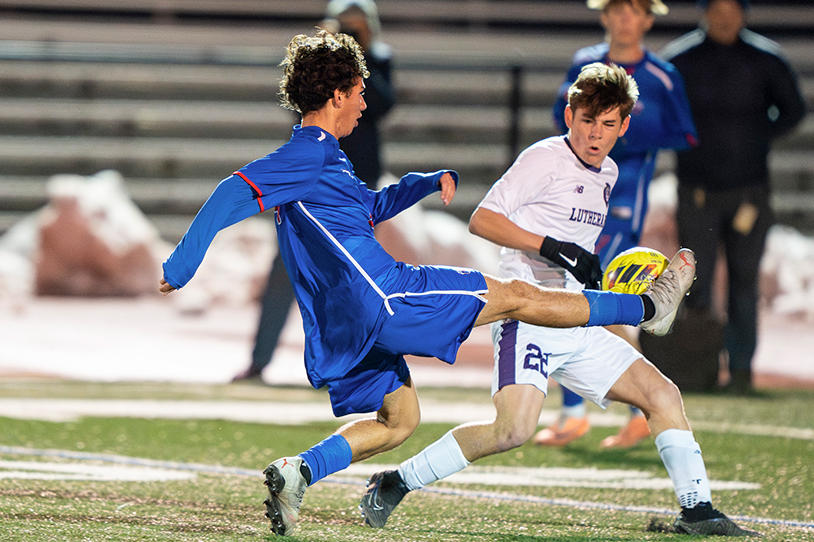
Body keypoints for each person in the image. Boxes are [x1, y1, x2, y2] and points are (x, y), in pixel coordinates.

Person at [159, 32, 693, 537]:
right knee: (516, 297)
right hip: (387, 295)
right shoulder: (307, 153)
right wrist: (181, 266)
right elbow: (234, 191)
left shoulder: (325, 158)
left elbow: (368, 209)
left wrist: (418, 184)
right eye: (361, 94)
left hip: (351, 319)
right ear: (337, 94)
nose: (366, 105)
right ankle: (644, 307)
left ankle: (297, 472)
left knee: (399, 420)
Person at [359, 63, 758, 537]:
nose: (596, 134)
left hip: (574, 314)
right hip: (527, 317)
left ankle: (697, 512)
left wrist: (588, 262)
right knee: (512, 431)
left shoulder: (607, 172)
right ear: (569, 114)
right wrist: (553, 247)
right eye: (587, 120)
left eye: (608, 124)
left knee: (663, 396)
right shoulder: (545, 158)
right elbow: (483, 219)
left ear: (624, 126)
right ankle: (395, 482)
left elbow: (571, 238)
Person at [538, 0, 698, 449]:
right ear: (605, 15)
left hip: (624, 203)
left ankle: (608, 410)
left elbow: (686, 133)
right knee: (586, 303)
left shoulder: (662, 76)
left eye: (635, 10)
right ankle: (611, 410)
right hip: (578, 198)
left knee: (590, 302)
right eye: (618, 9)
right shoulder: (584, 64)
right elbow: (559, 117)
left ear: (648, 20)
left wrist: (626, 131)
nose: (625, 19)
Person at [233, 0, 396, 383]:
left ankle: (350, 365)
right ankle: (260, 360)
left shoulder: (380, 60)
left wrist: (360, 59)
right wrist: (328, 55)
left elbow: (381, 104)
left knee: (350, 272)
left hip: (354, 179)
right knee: (285, 267)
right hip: (310, 175)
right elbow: (296, 102)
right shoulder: (317, 60)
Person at [662, 0, 805, 394]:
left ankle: (741, 371)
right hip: (697, 191)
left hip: (749, 192)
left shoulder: (766, 60)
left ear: (743, 14)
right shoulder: (680, 60)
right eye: (717, 10)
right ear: (704, 13)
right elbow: (660, 111)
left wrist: (756, 138)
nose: (725, 18)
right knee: (696, 282)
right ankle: (698, 368)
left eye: (733, 10)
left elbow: (794, 108)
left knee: (745, 280)